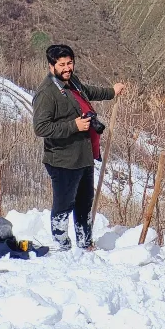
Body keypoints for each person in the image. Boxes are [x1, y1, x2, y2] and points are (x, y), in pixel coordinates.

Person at [32, 44, 124, 251]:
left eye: (70, 63)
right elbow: (41, 127)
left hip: (83, 155)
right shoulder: (47, 93)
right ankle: (62, 246)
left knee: (84, 202)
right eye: (62, 64)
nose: (67, 68)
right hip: (63, 160)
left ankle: (85, 243)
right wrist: (74, 126)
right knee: (64, 205)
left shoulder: (72, 81)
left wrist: (111, 92)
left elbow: (88, 92)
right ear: (51, 66)